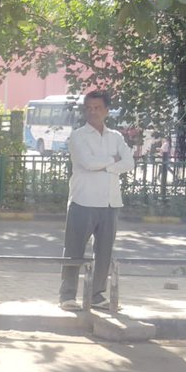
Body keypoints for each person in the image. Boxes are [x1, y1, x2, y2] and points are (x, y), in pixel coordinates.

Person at [59, 90, 135, 311]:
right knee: (74, 249)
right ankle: (67, 295)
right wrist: (113, 161)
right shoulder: (78, 136)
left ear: (107, 111)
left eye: (97, 108)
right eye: (89, 108)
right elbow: (87, 163)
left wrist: (106, 164)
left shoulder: (116, 137)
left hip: (111, 202)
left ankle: (96, 295)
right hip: (83, 199)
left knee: (104, 251)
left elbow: (130, 163)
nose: (93, 112)